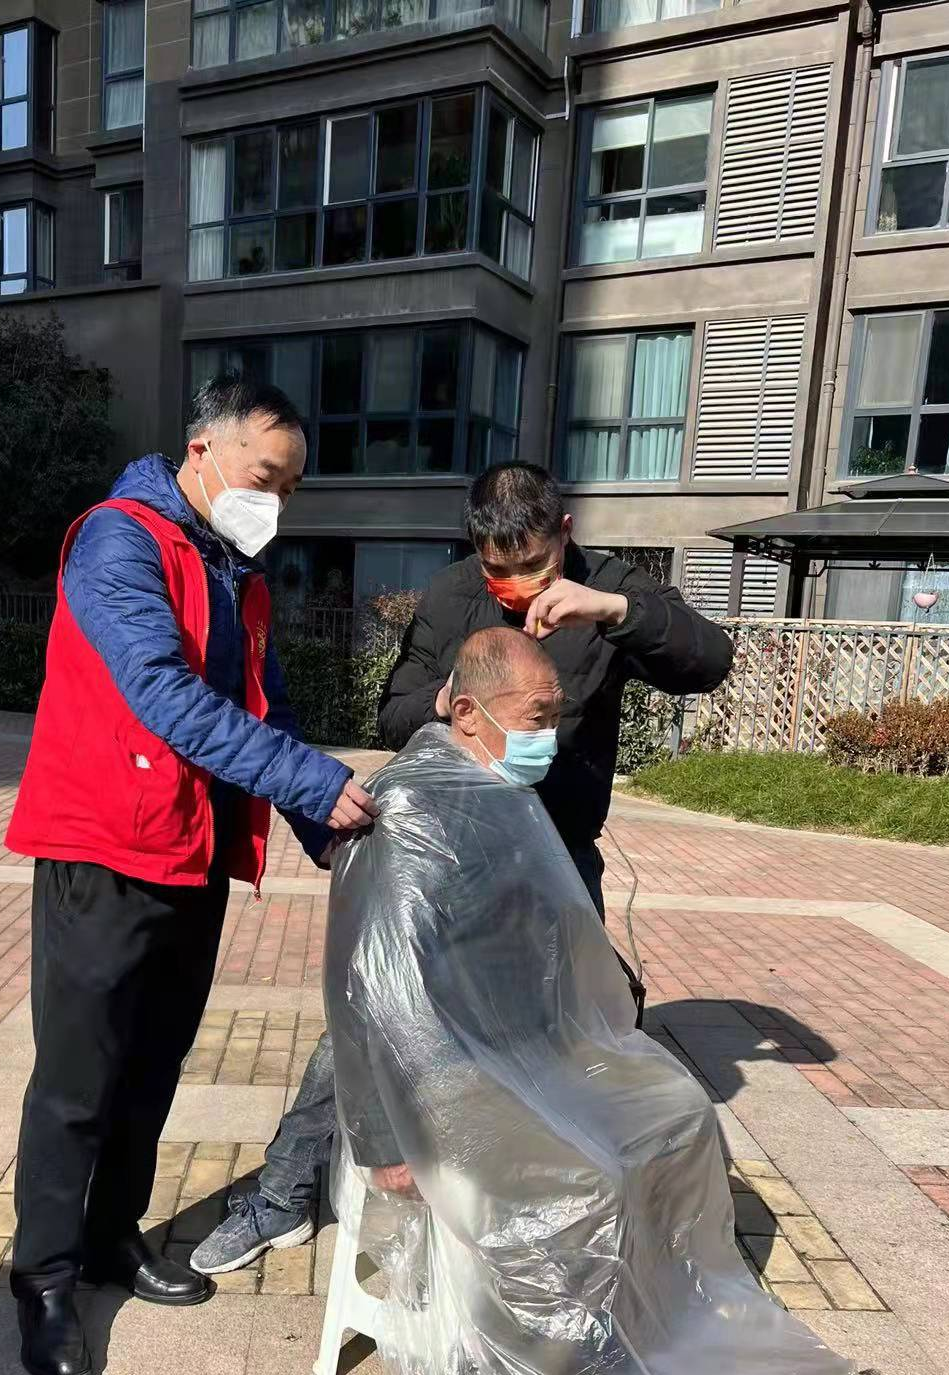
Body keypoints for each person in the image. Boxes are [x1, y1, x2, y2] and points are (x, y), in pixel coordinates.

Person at [323, 627, 853, 1375]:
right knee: (584, 1178)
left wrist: (593, 1031)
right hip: (441, 1081)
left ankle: (640, 1324)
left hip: (521, 1054)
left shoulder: (496, 789)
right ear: (467, 711)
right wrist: (383, 1139)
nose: (549, 735)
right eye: (535, 717)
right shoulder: (412, 807)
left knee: (676, 1115)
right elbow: (370, 986)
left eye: (555, 717)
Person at [192, 460, 733, 1278]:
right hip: (454, 857)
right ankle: (284, 1191)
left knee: (577, 1025)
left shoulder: (611, 591)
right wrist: (449, 699)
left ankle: (563, 1204)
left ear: (565, 535)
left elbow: (708, 660)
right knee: (377, 1007)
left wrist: (613, 611)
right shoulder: (451, 596)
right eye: (497, 569)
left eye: (534, 566)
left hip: (556, 858)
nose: (517, 585)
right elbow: (395, 712)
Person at [4, 374, 378, 1375]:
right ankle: (44, 1277)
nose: (277, 501)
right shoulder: (120, 542)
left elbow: (268, 708)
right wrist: (312, 780)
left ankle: (111, 1236)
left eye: (291, 489)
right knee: (79, 1075)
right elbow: (160, 692)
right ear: (203, 451)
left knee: (153, 1061)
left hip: (192, 848)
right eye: (267, 476)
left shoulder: (233, 569)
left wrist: (324, 826)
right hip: (103, 847)